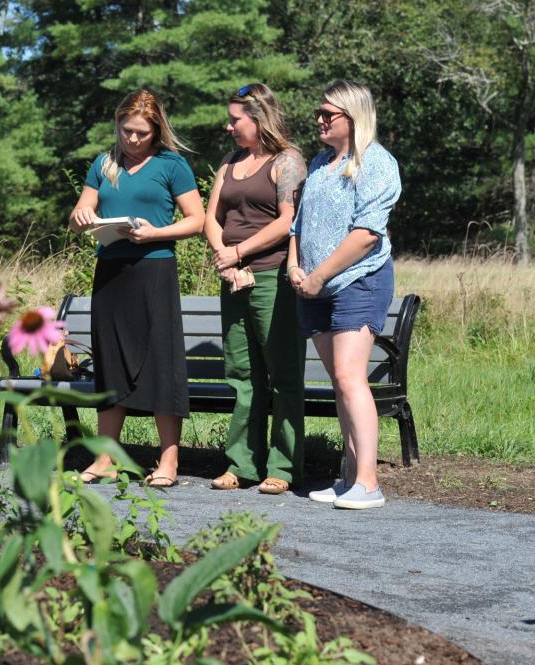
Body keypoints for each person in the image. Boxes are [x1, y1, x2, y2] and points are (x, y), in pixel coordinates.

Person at [68, 89, 205, 487]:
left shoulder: (171, 164)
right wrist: (80, 217)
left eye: (141, 133)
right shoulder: (104, 163)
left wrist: (157, 233)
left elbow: (196, 220)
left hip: (154, 269)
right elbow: (81, 215)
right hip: (111, 271)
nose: (132, 139)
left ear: (157, 131)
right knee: (110, 362)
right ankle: (105, 458)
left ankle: (168, 461)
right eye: (126, 131)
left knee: (161, 361)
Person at [288, 80, 401, 510]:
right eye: (318, 113)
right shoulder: (319, 162)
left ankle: (369, 484)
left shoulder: (377, 163)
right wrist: (295, 266)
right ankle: (349, 477)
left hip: (358, 281)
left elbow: (367, 235)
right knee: (339, 380)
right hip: (312, 284)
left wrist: (319, 277)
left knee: (352, 377)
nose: (318, 120)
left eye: (327, 114)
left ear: (353, 118)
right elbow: (299, 224)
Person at [204, 83, 308, 495]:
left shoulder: (288, 162)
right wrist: (224, 255)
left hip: (271, 275)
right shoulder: (230, 162)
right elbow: (213, 214)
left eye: (235, 119)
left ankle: (282, 466)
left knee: (282, 373)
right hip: (232, 277)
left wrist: (241, 251)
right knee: (242, 373)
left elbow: (289, 221)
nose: (228, 126)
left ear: (259, 118)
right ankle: (241, 463)